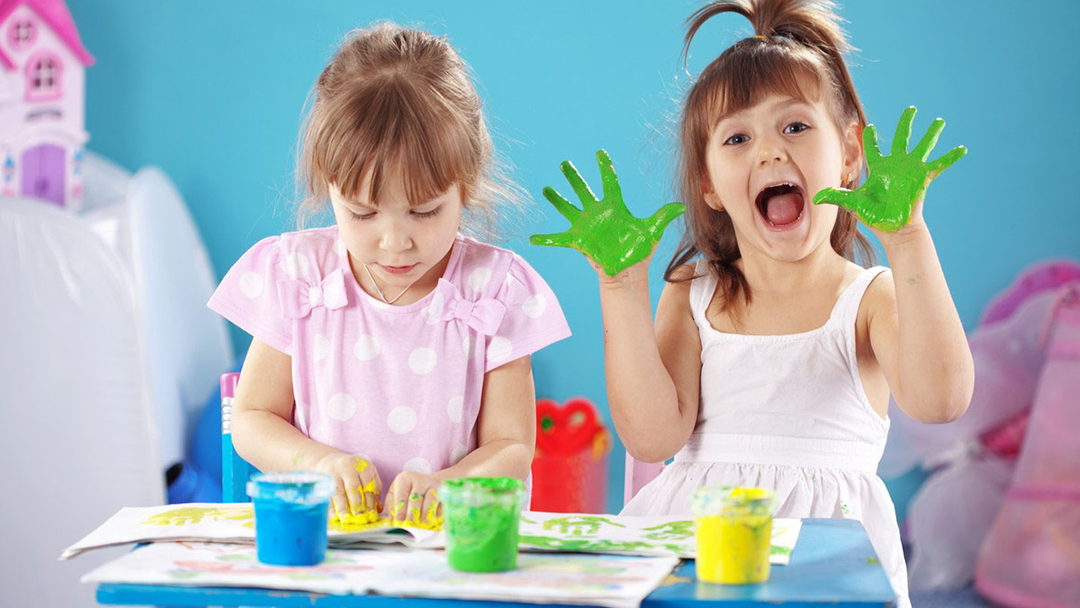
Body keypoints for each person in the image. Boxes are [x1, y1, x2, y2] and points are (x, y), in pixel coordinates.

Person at [531, 2, 973, 605]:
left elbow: (941, 400)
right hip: (695, 554)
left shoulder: (868, 299)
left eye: (795, 127)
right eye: (738, 138)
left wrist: (909, 239)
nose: (768, 152)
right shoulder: (694, 291)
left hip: (824, 565)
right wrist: (620, 287)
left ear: (849, 154)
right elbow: (652, 439)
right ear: (709, 184)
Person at [209, 22, 570, 528]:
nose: (395, 242)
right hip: (327, 546)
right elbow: (252, 420)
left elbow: (511, 446)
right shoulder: (301, 276)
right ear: (329, 187)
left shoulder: (493, 289)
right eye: (362, 213)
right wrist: (317, 463)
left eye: (424, 212)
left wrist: (451, 485)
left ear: (466, 185)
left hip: (455, 548)